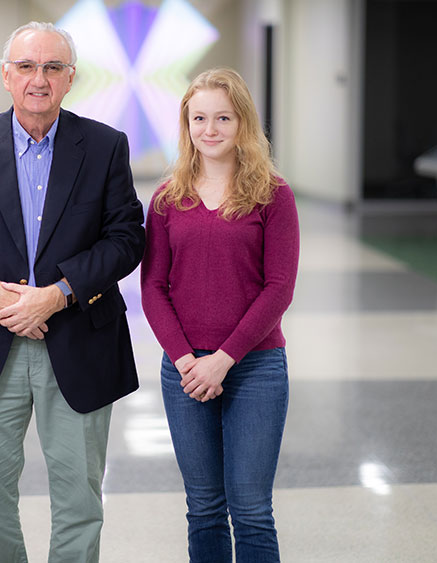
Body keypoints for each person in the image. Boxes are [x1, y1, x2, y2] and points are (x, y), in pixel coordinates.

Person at [0, 21, 145, 563]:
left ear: (71, 79)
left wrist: (59, 292)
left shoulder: (105, 147)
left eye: (52, 67)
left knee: (79, 500)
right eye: (26, 66)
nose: (38, 79)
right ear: (6, 76)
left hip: (77, 341)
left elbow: (125, 239)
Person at [140, 68, 299, 562]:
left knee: (251, 509)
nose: (210, 129)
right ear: (186, 125)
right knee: (204, 508)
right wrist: (186, 359)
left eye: (223, 118)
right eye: (199, 118)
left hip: (254, 368)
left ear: (243, 123)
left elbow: (279, 289)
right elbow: (152, 288)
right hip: (185, 371)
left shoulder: (273, 195)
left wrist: (223, 359)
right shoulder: (167, 200)